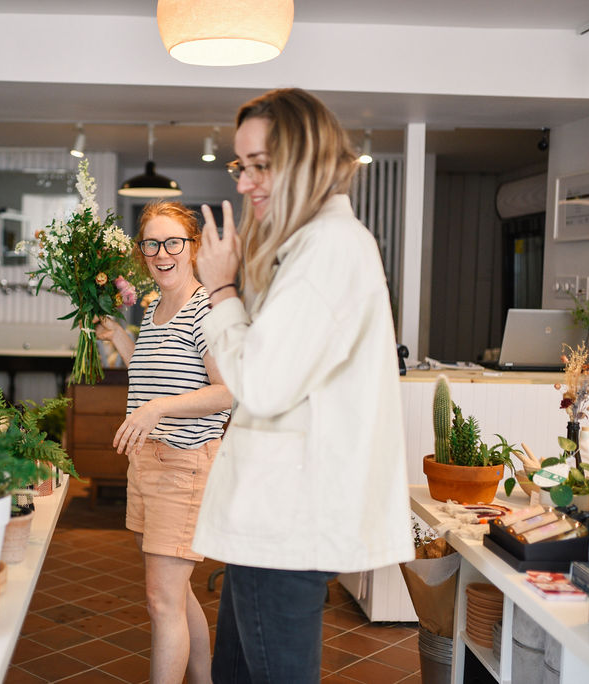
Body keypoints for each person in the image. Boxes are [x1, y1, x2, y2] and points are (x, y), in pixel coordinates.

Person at [192, 88, 413, 683]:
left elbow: (260, 383)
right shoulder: (311, 244)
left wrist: (220, 290)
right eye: (243, 166)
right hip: (272, 513)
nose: (244, 182)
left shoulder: (331, 248)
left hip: (286, 516)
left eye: (260, 165)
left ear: (307, 159)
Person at [95, 201, 232, 684]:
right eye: (151, 243)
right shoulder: (153, 306)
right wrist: (119, 338)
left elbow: (228, 392)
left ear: (192, 247)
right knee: (175, 595)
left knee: (161, 599)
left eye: (173, 242)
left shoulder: (206, 310)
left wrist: (157, 410)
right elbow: (153, 375)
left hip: (185, 463)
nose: (162, 252)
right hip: (146, 462)